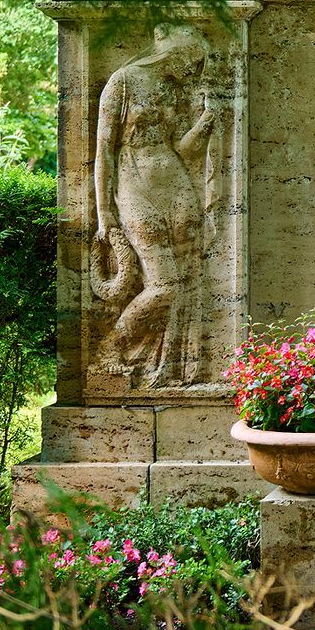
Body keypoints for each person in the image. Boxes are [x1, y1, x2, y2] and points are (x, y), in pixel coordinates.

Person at [91, 23, 218, 387]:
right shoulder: (122, 81)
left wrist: (205, 122)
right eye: (192, 60)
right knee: (165, 284)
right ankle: (110, 348)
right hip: (134, 186)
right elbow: (104, 152)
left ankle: (173, 366)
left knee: (187, 280)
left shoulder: (172, 88)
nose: (193, 70)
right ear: (174, 51)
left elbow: (181, 149)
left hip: (176, 185)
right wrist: (104, 213)